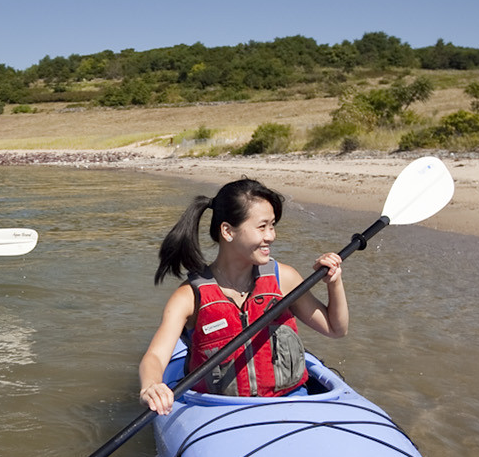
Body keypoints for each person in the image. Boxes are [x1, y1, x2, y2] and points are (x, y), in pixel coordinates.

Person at [137, 178, 347, 416]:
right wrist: (151, 387)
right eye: (262, 227)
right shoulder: (189, 297)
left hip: (290, 401)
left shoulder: (284, 279)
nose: (271, 236)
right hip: (217, 410)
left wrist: (334, 283)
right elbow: (154, 356)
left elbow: (335, 328)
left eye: (273, 225)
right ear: (227, 231)